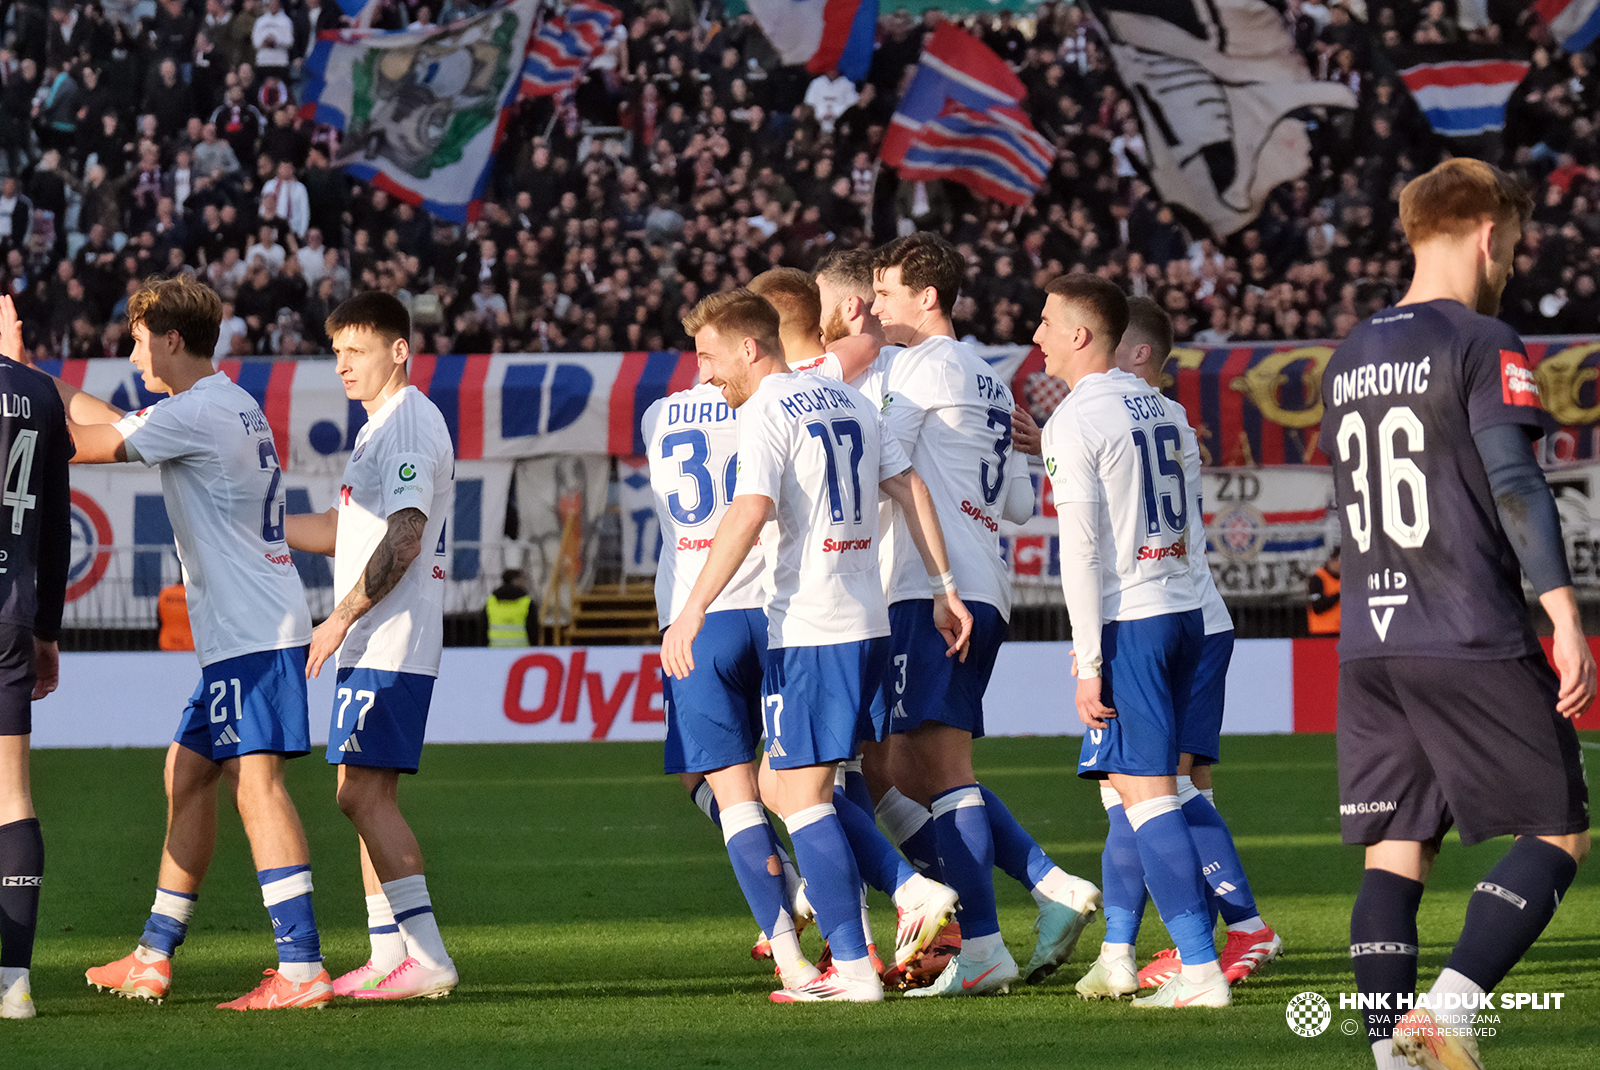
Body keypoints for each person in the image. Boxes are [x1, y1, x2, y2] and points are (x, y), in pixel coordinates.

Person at [1319, 158, 1592, 1070]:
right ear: (1486, 234)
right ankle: (1450, 1009)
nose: (1511, 260)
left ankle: (1391, 1058)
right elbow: (1515, 481)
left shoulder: (1348, 353)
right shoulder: (1482, 340)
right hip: (1466, 627)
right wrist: (1562, 612)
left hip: (1371, 645)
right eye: (1511, 243)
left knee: (1394, 853)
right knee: (1557, 830)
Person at [19, 274, 330, 1010]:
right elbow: (118, 423)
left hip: (252, 634)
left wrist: (22, 385)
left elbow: (84, 446)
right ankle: (154, 955)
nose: (130, 352)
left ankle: (302, 967)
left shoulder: (197, 415)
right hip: (248, 630)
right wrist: (40, 378)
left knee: (256, 785)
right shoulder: (221, 404)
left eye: (135, 338)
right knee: (186, 773)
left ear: (169, 338)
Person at [660, 289, 970, 1003]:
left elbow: (749, 510)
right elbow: (908, 484)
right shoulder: (851, 400)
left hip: (810, 627)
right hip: (868, 622)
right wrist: (942, 585)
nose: (706, 375)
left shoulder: (768, 409)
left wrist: (692, 609)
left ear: (751, 346)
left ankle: (873, 947)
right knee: (800, 787)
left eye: (710, 356)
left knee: (799, 801)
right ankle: (878, 929)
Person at [865, 234, 1102, 997]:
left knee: (938, 770)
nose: (875, 307)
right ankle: (1039, 888)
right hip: (978, 582)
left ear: (926, 297)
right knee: (901, 765)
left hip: (934, 591)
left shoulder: (919, 366)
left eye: (886, 293)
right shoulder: (993, 379)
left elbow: (885, 463)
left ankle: (986, 945)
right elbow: (1021, 503)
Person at [1036, 273, 1230, 1009]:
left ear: (1082, 335)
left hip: (1136, 623)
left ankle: (1202, 967)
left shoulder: (1076, 420)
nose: (1037, 336)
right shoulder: (1166, 409)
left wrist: (1088, 663)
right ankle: (1122, 955)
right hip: (1185, 610)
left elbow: (1079, 552)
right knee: (1140, 793)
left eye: (1048, 322)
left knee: (1147, 800)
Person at [284, 291, 458, 1000]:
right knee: (357, 792)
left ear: (398, 351)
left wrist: (339, 618)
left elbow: (406, 537)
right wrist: (263, 526)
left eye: (356, 351)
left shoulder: (408, 422)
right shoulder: (378, 428)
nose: (342, 366)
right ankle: (389, 953)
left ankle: (428, 956)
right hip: (376, 636)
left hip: (391, 634)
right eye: (336, 353)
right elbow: (344, 528)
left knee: (362, 795)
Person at [1104, 296, 1282, 989]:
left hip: (1177, 620)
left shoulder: (1145, 417)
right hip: (1193, 617)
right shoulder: (1170, 420)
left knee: (1156, 787)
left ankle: (1242, 929)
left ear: (1138, 354)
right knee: (1166, 787)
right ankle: (1199, 936)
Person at [642, 358, 818, 991]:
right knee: (798, 777)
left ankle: (792, 952)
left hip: (700, 617)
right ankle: (825, 904)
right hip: (776, 612)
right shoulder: (770, 406)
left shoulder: (658, 416)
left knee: (733, 791)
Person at [0, 296, 72, 1020]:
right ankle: (12, 984)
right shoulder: (39, 394)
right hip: (10, 613)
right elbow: (56, 529)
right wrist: (46, 629)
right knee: (12, 798)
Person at [485, 569, 532, 648]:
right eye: (523, 580)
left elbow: (483, 627)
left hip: (495, 648)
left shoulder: (491, 601)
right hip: (520, 649)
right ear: (515, 580)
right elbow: (532, 629)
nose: (524, 584)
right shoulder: (526, 602)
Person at [1307, 546, 1341, 634]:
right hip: (1322, 633)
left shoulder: (1346, 580)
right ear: (1332, 561)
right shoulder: (1318, 579)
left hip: (1343, 633)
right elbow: (1318, 607)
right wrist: (1339, 595)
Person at [157, 582, 195, 651]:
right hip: (191, 644)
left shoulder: (165, 593)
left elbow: (159, 619)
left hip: (167, 643)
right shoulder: (194, 594)